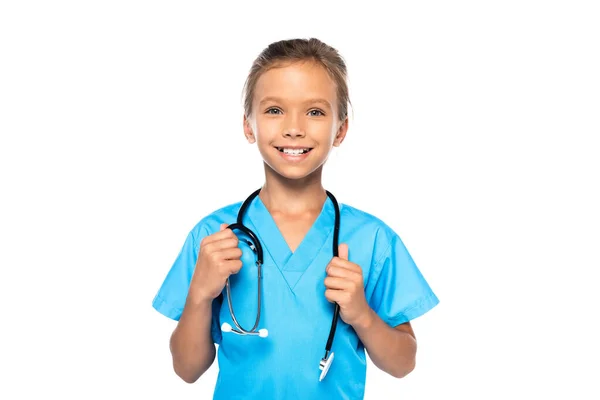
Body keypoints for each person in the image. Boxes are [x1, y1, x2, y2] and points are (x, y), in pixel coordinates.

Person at [152, 37, 439, 399]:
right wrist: (198, 294)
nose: (294, 128)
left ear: (341, 129)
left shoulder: (371, 239)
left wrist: (362, 314)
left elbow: (403, 363)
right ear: (248, 125)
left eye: (315, 112)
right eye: (274, 110)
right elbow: (187, 369)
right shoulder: (214, 237)